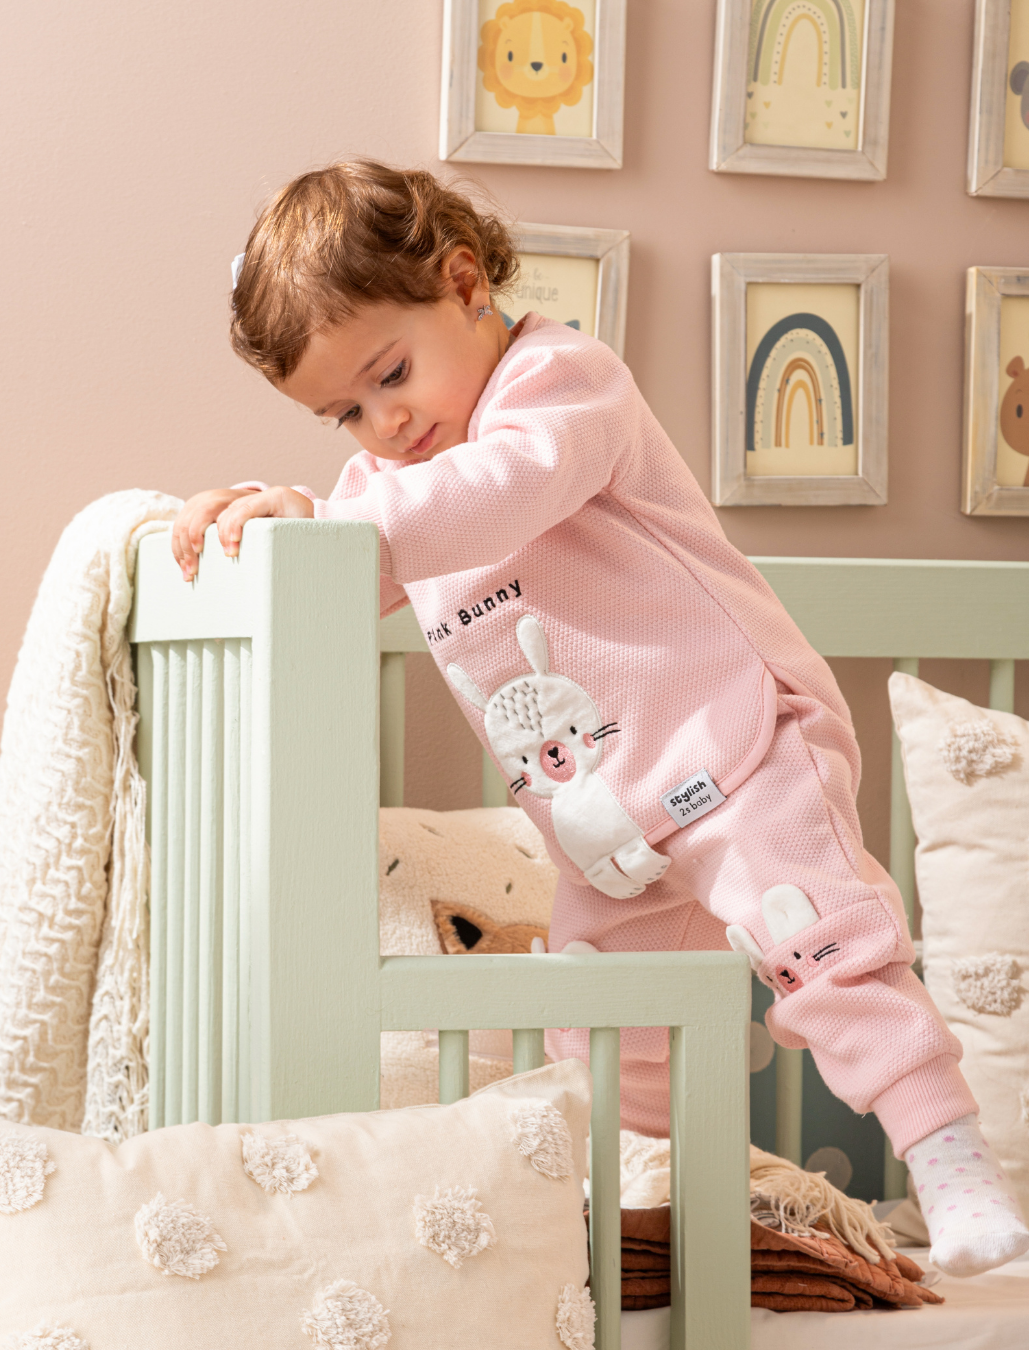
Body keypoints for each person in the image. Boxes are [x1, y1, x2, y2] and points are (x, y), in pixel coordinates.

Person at [172, 160, 1028, 1277]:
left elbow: (504, 488)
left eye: (391, 375)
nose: (383, 424)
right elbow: (344, 564)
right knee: (607, 1025)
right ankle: (637, 1207)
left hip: (738, 747)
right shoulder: (389, 489)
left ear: (465, 284)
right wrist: (255, 522)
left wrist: (343, 522)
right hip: (611, 826)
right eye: (345, 413)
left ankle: (955, 1173)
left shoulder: (561, 384)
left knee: (818, 941)